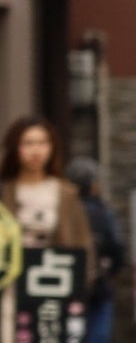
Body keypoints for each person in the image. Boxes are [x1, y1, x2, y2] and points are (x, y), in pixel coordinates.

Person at [65, 157, 126, 343]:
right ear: (94, 186)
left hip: (66, 290)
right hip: (99, 289)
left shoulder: (63, 213)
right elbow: (118, 248)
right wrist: (112, 273)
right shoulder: (103, 213)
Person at [0, 118, 95, 282]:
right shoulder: (5, 191)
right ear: (15, 147)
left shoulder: (66, 193)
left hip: (55, 277)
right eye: (28, 143)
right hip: (11, 281)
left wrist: (84, 281)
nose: (35, 150)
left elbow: (82, 242)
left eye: (42, 143)